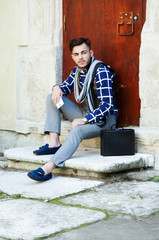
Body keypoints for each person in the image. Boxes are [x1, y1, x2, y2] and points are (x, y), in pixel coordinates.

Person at [27, 37, 119, 181]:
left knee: (77, 130)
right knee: (53, 97)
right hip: (87, 114)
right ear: (72, 56)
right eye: (76, 54)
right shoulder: (77, 71)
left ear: (91, 52)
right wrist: (56, 87)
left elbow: (107, 106)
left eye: (84, 53)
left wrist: (84, 120)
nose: (80, 57)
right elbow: (65, 87)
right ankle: (54, 143)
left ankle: (48, 168)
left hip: (105, 121)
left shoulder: (101, 71)